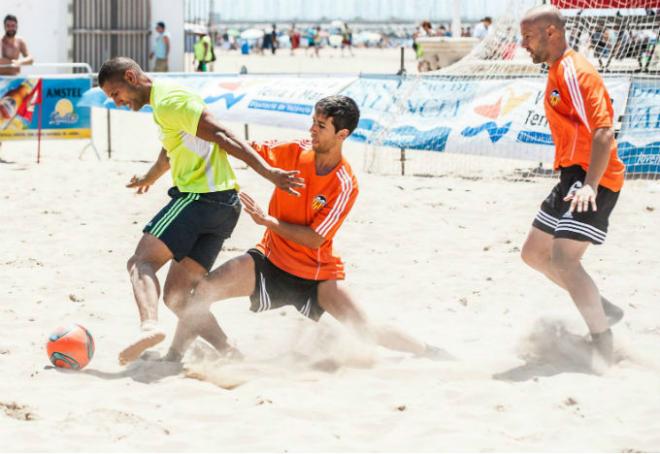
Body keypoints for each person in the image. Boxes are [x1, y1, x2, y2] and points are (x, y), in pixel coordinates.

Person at [160, 95, 445, 363]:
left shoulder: (345, 183)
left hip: (315, 275)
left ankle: (430, 352)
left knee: (365, 329)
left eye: (321, 126)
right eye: (312, 122)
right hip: (270, 259)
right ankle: (182, 355)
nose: (312, 130)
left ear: (341, 135)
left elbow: (315, 238)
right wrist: (200, 132)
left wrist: (267, 221)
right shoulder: (296, 150)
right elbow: (246, 149)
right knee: (202, 294)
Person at [97, 57, 304, 364]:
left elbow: (222, 136)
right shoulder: (166, 99)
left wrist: (269, 172)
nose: (117, 102)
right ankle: (229, 353)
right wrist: (152, 176)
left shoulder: (169, 102)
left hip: (200, 199)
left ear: (130, 76)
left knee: (141, 262)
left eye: (116, 93)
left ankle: (149, 326)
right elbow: (174, 144)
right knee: (178, 298)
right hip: (224, 207)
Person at [519, 6, 625, 365]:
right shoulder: (555, 70)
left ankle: (602, 344)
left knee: (564, 260)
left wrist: (591, 185)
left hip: (594, 177)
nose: (522, 45)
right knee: (533, 254)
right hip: (571, 175)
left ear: (551, 32)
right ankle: (600, 307)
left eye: (528, 37)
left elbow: (603, 131)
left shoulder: (574, 70)